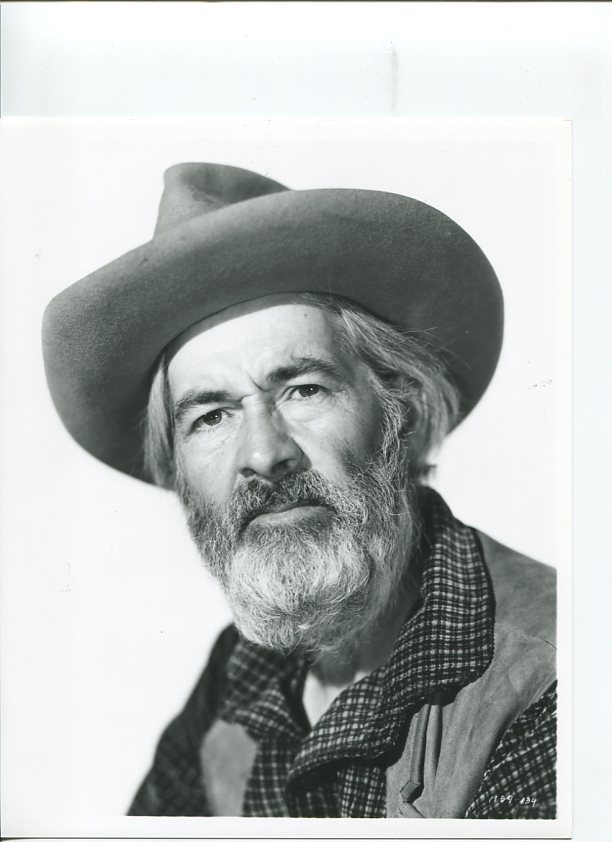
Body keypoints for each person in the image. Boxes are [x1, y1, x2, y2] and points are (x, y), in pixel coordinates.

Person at [42, 162, 556, 819]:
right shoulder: (241, 671)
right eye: (211, 416)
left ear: (400, 410)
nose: (264, 454)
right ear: (177, 469)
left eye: (303, 389)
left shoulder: (554, 684)